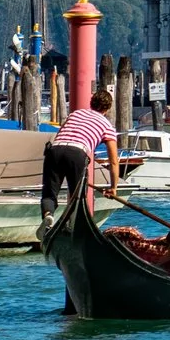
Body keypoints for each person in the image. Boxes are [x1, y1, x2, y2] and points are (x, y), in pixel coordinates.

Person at [40, 83, 120, 233]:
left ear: (91, 103)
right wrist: (113, 188)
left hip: (55, 149)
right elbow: (114, 160)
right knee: (77, 197)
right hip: (77, 153)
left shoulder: (75, 114)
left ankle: (48, 215)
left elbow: (61, 135)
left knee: (49, 193)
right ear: (108, 109)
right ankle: (73, 228)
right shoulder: (107, 125)